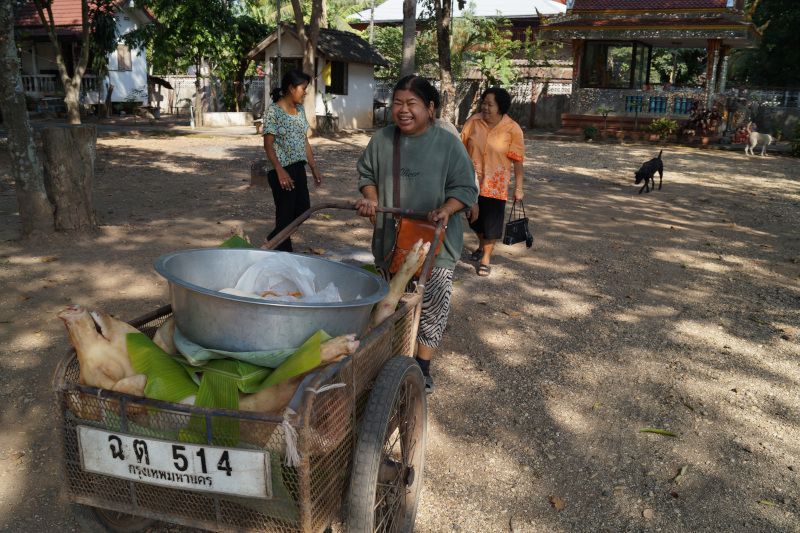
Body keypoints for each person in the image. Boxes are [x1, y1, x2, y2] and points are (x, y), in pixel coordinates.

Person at [355, 75, 478, 393]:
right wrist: (370, 198)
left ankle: (422, 365)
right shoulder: (382, 140)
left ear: (430, 108)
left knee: (434, 302)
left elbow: (465, 188)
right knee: (390, 302)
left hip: (437, 242)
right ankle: (388, 359)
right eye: (397, 103)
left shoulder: (448, 143)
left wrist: (447, 209)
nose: (403, 110)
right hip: (391, 239)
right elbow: (367, 173)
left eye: (412, 104)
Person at [460, 87, 525, 277]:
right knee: (474, 221)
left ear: (501, 107)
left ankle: (485, 259)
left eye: (490, 104)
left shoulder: (512, 128)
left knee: (492, 224)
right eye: (484, 103)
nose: (485, 107)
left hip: (496, 185)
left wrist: (519, 187)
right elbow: (460, 149)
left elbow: (518, 160)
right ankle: (482, 245)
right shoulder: (473, 122)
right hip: (471, 182)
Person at [262, 70, 323, 252]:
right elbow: (268, 145)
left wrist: (313, 168)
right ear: (291, 88)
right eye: (303, 88)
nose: (305, 92)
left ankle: (273, 239)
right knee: (285, 216)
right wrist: (279, 170)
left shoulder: (301, 110)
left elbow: (304, 140)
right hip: (280, 171)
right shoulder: (273, 111)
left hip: (298, 168)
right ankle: (284, 256)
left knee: (303, 210)